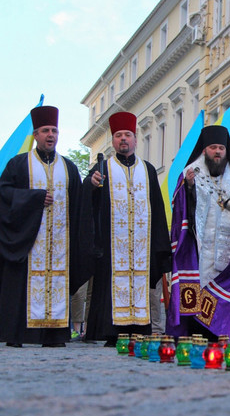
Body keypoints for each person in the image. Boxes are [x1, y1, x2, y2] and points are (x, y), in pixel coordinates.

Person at [80, 111, 171, 346]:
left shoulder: (148, 170)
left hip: (142, 247)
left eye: (127, 135)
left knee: (141, 287)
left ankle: (138, 329)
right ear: (113, 141)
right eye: (119, 135)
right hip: (111, 248)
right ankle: (111, 334)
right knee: (111, 286)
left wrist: (160, 247)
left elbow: (158, 210)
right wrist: (90, 185)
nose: (123, 139)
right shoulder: (102, 169)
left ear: (135, 139)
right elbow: (85, 202)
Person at [0, 106, 82, 347]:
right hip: (28, 244)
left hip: (60, 247)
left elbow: (79, 205)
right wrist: (33, 198)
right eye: (45, 130)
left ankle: (54, 335)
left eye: (54, 131)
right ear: (35, 135)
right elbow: (3, 194)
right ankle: (22, 335)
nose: (51, 135)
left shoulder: (69, 168)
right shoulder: (18, 164)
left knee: (58, 283)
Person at [166, 125, 230, 343]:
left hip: (227, 254)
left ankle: (220, 334)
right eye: (213, 147)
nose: (218, 152)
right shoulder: (191, 173)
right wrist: (189, 187)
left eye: (221, 148)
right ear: (204, 150)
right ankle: (194, 335)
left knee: (223, 291)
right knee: (196, 290)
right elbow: (180, 210)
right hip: (198, 249)